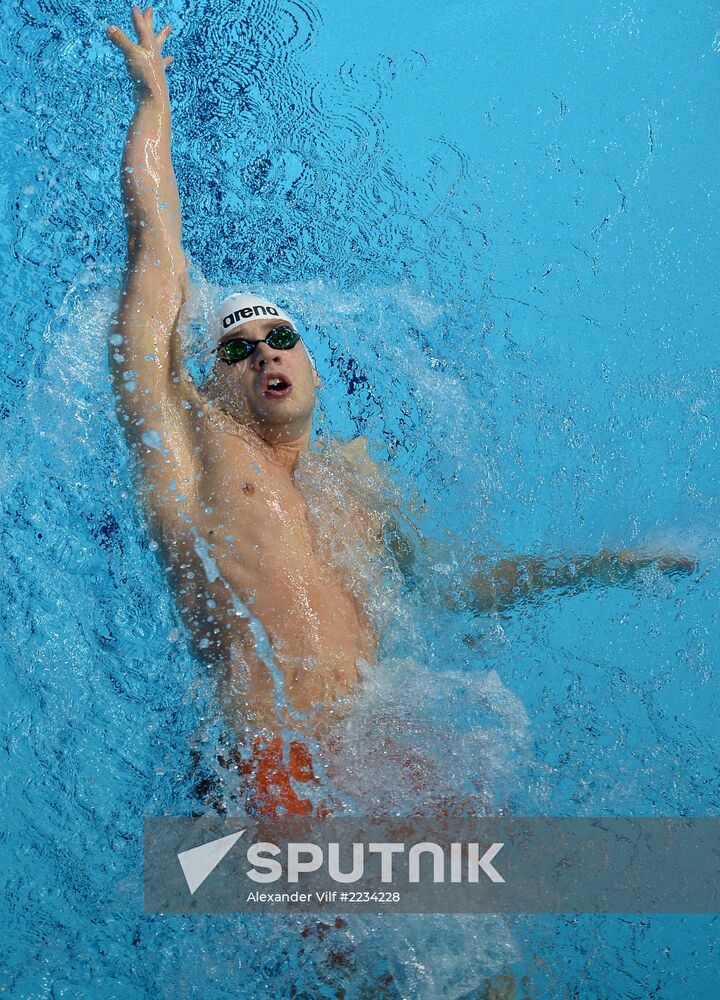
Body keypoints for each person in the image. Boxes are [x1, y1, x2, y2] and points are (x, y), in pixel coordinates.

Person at [106, 7, 696, 817]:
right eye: (238, 349)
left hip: (379, 745)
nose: (267, 353)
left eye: (281, 336)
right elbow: (156, 253)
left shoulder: (357, 479)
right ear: (209, 382)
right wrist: (155, 103)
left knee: (482, 921)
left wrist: (605, 565)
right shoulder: (188, 442)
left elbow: (451, 590)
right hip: (271, 759)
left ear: (310, 358)